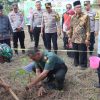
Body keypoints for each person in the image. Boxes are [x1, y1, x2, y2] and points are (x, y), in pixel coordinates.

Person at [68, 0, 90, 69]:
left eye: (80, 7)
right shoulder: (72, 17)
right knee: (75, 52)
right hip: (74, 38)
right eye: (77, 7)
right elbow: (71, 28)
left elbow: (88, 29)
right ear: (74, 9)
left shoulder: (86, 16)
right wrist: (69, 37)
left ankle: (83, 65)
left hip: (82, 38)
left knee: (82, 53)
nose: (79, 8)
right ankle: (76, 63)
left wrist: (87, 39)